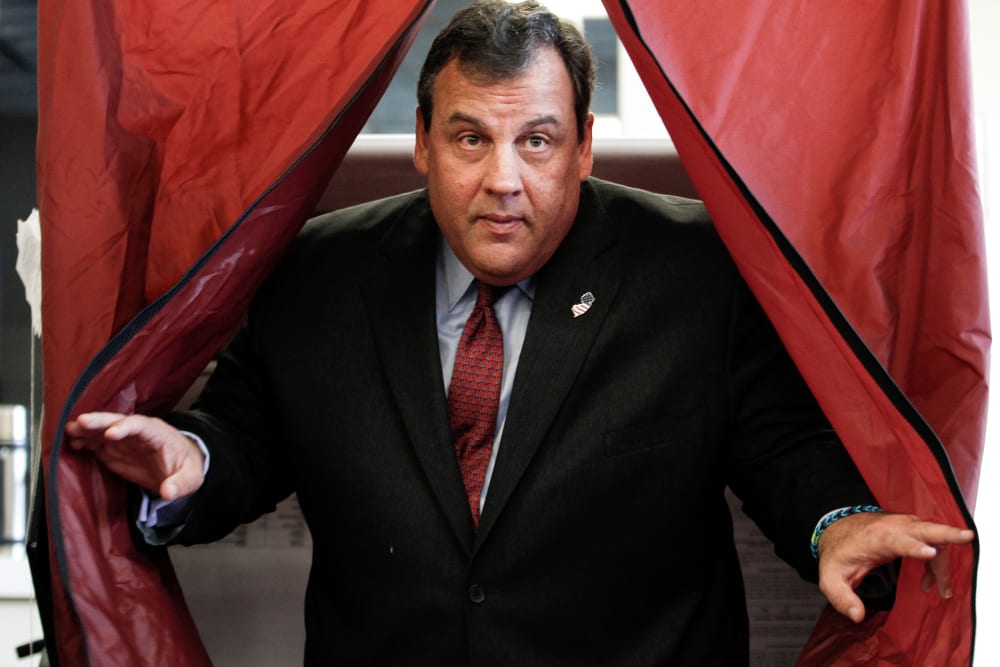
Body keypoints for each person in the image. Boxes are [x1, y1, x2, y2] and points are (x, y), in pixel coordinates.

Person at [66, 1, 974, 664]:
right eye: (470, 139)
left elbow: (780, 446)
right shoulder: (316, 273)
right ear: (422, 141)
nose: (503, 178)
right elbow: (251, 437)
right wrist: (191, 461)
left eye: (536, 141)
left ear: (582, 145)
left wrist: (838, 523)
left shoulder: (695, 271)